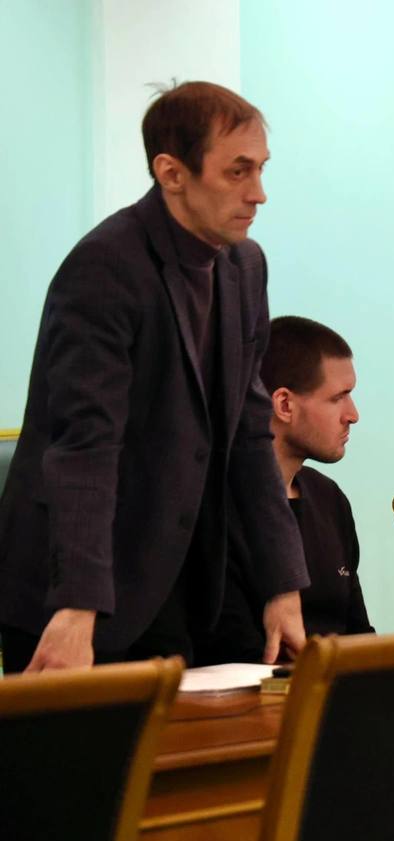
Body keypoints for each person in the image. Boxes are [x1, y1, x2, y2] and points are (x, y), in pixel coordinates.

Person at [0, 82, 307, 672]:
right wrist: (76, 608)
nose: (258, 193)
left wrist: (281, 583)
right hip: (73, 590)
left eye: (261, 169)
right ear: (171, 172)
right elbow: (85, 446)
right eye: (237, 171)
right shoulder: (105, 267)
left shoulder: (245, 265)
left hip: (173, 585)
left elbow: (249, 431)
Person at [196, 317, 372, 664]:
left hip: (340, 689)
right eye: (338, 398)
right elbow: (238, 654)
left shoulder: (330, 499)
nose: (353, 415)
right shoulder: (214, 509)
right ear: (284, 405)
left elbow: (359, 633)